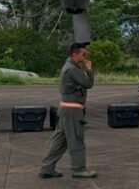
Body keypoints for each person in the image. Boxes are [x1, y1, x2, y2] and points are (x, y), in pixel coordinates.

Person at [39, 42, 97, 179]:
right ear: (75, 54)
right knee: (76, 139)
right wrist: (89, 70)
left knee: (59, 141)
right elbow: (88, 84)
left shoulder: (70, 67)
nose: (85, 57)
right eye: (84, 54)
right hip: (72, 110)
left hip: (66, 109)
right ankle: (79, 169)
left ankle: (47, 168)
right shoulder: (72, 69)